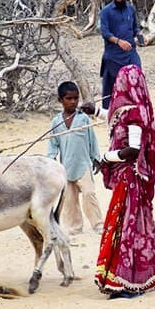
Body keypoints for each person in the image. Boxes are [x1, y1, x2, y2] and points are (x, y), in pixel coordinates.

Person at [90, 64, 155, 297]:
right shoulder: (127, 109)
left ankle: (130, 278)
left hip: (130, 179)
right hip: (126, 180)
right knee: (134, 224)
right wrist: (94, 111)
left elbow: (133, 151)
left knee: (130, 225)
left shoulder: (135, 113)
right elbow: (114, 118)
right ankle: (147, 271)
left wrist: (105, 158)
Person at [46, 81, 103, 235]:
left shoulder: (83, 119)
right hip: (66, 167)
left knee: (89, 193)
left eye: (76, 98)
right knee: (70, 200)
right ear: (60, 100)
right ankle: (74, 228)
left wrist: (96, 158)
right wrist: (51, 162)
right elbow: (52, 145)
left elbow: (92, 140)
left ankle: (98, 225)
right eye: (69, 98)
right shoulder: (56, 122)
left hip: (83, 164)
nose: (73, 102)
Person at [99, 0, 145, 111]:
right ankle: (108, 112)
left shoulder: (130, 8)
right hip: (113, 55)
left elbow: (135, 27)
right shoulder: (106, 12)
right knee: (111, 85)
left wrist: (140, 36)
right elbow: (105, 33)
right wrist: (119, 42)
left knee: (136, 77)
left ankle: (138, 107)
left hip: (131, 54)